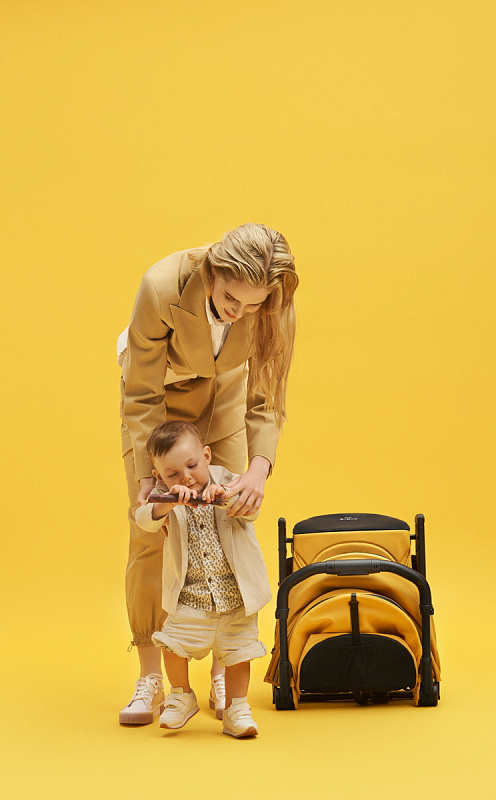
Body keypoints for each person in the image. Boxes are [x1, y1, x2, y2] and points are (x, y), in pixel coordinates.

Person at [118, 223, 298, 724]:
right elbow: (142, 394)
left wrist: (257, 471)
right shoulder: (162, 285)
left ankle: (223, 666)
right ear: (213, 271)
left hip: (225, 401)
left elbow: (268, 394)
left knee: (228, 524)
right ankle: (152, 675)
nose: (239, 312)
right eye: (230, 298)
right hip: (160, 405)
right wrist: (150, 483)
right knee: (152, 535)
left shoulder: (273, 302)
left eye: (252, 305)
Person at [135, 420, 271, 737]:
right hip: (190, 599)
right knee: (171, 645)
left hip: (235, 596)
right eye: (173, 474)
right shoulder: (163, 495)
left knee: (238, 655)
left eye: (192, 466)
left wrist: (227, 495)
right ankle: (181, 695)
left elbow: (251, 511)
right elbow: (144, 519)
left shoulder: (230, 482)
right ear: (159, 476)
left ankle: (237, 709)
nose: (186, 477)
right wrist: (169, 501)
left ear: (206, 456)